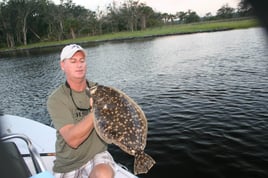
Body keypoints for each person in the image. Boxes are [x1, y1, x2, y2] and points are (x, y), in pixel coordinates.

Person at [47, 44, 116, 178]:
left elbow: (112, 128)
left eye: (82, 61)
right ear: (62, 65)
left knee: (104, 174)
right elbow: (73, 140)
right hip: (68, 162)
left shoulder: (100, 91)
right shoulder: (56, 99)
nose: (79, 65)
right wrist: (95, 111)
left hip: (97, 154)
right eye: (73, 61)